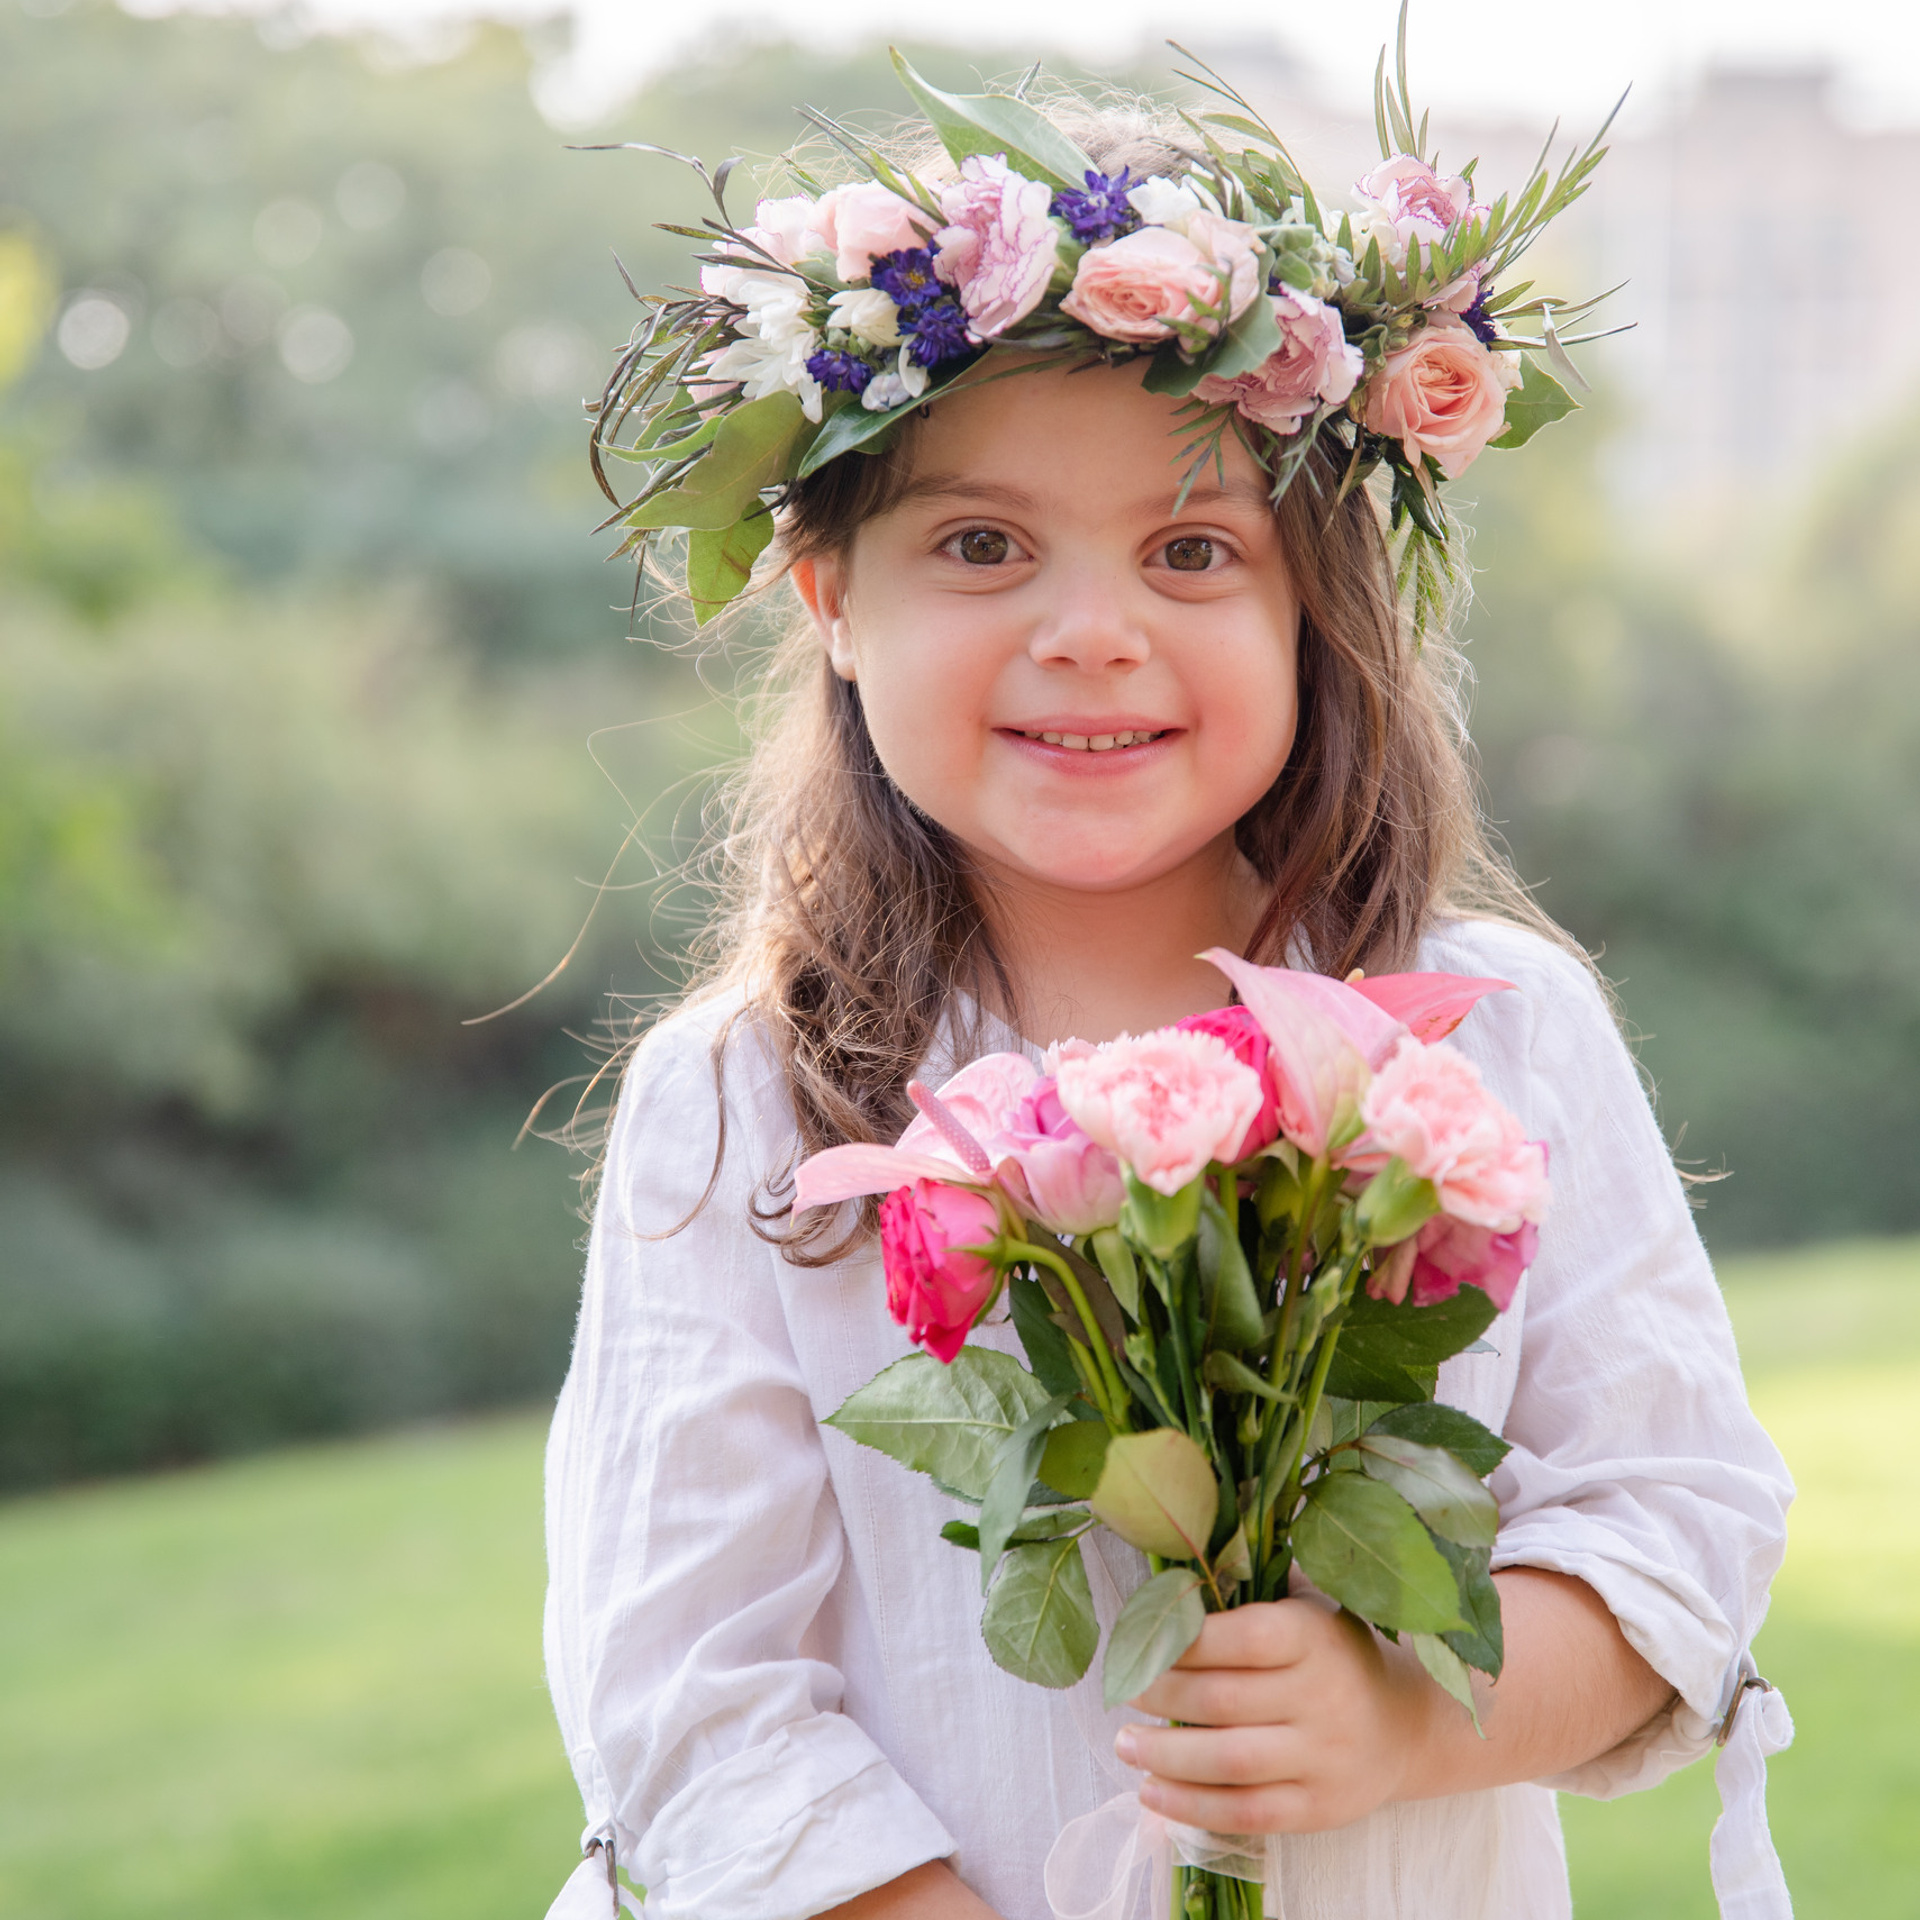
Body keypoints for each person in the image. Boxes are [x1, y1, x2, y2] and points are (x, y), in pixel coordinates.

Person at [540, 58, 1794, 1920]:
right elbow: (690, 1703)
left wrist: (1410, 1718)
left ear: (1319, 604)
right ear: (826, 591)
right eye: (979, 545)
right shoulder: (747, 1104)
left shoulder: (1493, 1026)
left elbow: (1675, 1521)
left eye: (1193, 549)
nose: (1091, 628)